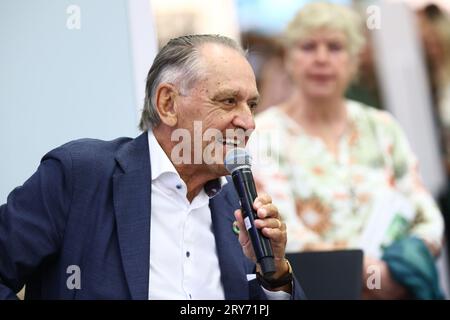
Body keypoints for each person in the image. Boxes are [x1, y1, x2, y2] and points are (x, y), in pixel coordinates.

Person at [0, 34, 305, 300]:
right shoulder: (79, 174)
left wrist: (274, 274)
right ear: (168, 104)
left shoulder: (236, 206)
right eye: (228, 101)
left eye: (251, 105)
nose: (248, 122)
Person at [249, 2, 445, 299]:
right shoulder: (264, 135)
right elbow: (281, 232)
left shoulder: (382, 127)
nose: (321, 59)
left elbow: (427, 216)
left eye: (335, 47)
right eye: (308, 47)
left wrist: (398, 271)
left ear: (354, 60)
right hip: (318, 291)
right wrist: (367, 272)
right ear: (288, 58)